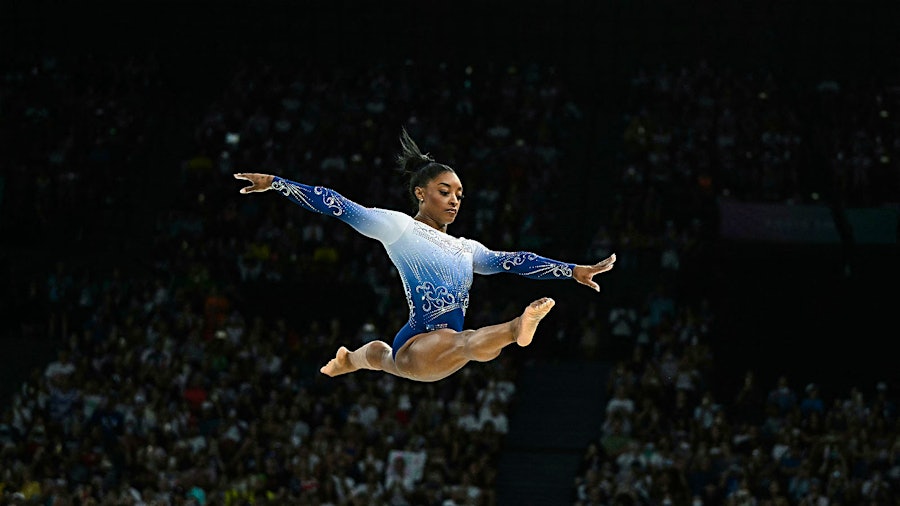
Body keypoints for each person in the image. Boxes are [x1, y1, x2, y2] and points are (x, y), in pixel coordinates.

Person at [233, 128, 616, 382]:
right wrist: (278, 184)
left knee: (387, 357)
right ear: (420, 193)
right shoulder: (399, 228)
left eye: (459, 196)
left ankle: (349, 358)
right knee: (465, 343)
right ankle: (517, 328)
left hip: (434, 347)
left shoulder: (467, 250)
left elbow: (516, 260)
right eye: (444, 191)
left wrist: (572, 271)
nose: (454, 201)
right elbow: (337, 204)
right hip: (419, 344)